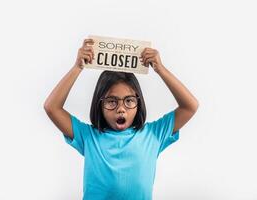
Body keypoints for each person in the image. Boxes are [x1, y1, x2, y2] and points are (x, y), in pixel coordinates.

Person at [44, 38, 199, 200]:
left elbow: (190, 106)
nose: (121, 108)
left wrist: (161, 69)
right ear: (100, 104)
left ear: (139, 103)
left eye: (129, 101)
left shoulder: (154, 134)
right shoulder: (88, 136)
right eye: (112, 101)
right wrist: (77, 67)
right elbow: (52, 107)